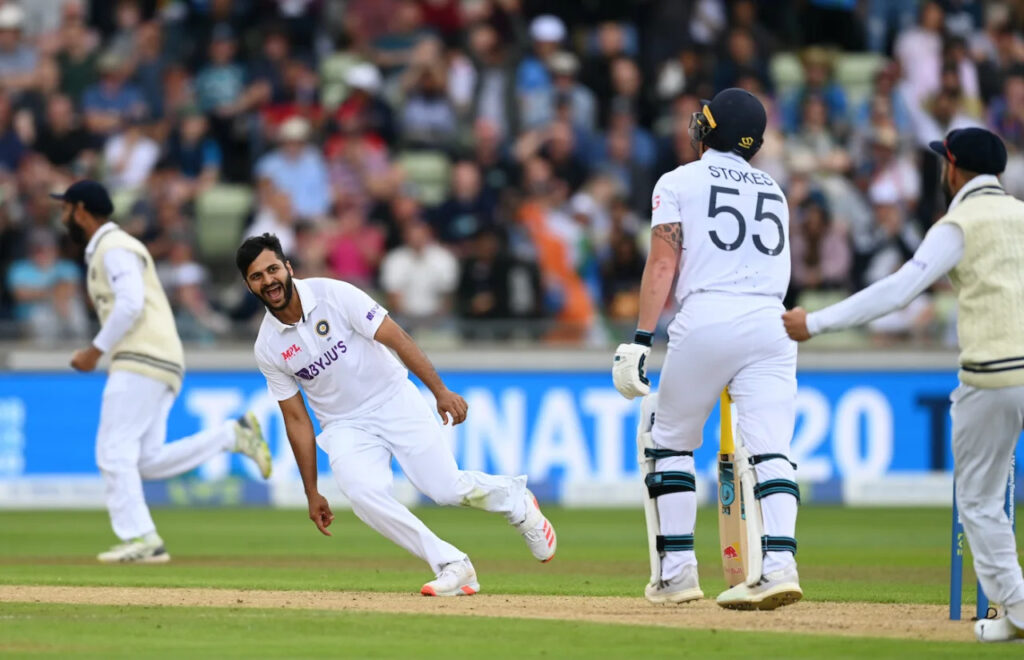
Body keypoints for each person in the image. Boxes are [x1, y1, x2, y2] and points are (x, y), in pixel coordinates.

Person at [782, 127, 1024, 644]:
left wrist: (816, 324)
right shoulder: (1021, 214)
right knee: (986, 500)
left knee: (979, 501)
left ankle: (1021, 608)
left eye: (944, 163)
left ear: (954, 169)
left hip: (993, 375)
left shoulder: (957, 222)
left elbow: (898, 290)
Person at [236, 232, 556, 596]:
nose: (269, 281)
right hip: (343, 424)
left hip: (392, 398)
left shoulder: (334, 295)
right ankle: (452, 564)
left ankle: (514, 498)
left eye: (273, 269)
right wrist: (312, 491)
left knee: (445, 489)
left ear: (288, 267)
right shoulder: (268, 346)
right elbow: (296, 419)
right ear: (249, 286)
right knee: (362, 494)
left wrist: (440, 391)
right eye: (257, 277)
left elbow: (397, 338)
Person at [612, 88, 802, 609]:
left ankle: (676, 572)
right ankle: (780, 565)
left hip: (710, 316)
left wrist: (641, 339)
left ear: (708, 129)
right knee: (770, 450)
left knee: (668, 438)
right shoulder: (775, 190)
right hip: (772, 322)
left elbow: (662, 264)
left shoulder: (678, 180)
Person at [51, 180, 272, 563]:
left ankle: (141, 538)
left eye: (66, 208)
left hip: (141, 357)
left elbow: (131, 303)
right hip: (160, 358)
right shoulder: (110, 247)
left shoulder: (114, 247)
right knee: (144, 461)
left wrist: (93, 351)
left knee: (112, 450)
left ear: (81, 210)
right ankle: (231, 436)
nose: (63, 216)